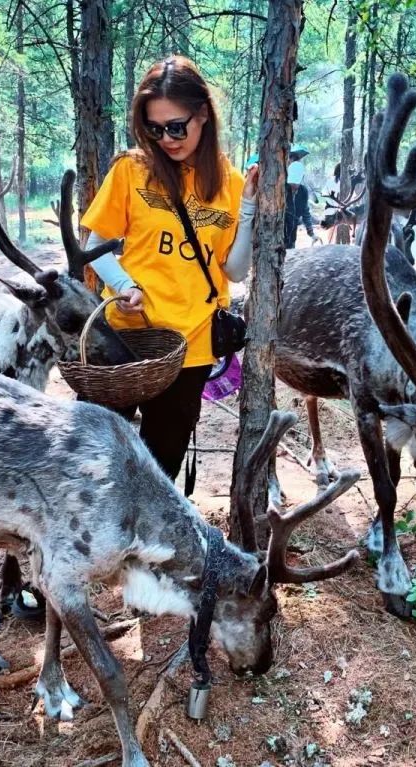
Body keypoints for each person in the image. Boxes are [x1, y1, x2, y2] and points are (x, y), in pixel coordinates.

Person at [81, 56, 257, 482]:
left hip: (189, 348)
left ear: (203, 116)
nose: (166, 139)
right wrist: (123, 284)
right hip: (123, 336)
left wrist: (249, 208)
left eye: (176, 126)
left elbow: (234, 271)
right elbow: (95, 246)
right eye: (154, 129)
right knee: (99, 459)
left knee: (162, 467)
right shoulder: (131, 170)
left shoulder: (231, 184)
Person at [285, 148, 315, 248]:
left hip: (292, 236)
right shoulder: (281, 191)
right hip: (278, 237)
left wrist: (310, 231)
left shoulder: (303, 191)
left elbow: (305, 211)